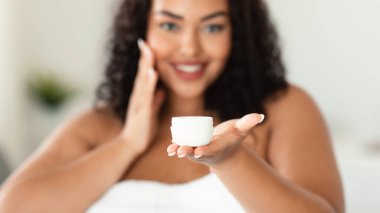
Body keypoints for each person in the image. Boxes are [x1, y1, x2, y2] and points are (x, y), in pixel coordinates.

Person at [0, 0, 344, 212]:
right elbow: (13, 207)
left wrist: (230, 161)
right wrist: (127, 144)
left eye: (212, 26)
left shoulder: (279, 111)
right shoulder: (97, 125)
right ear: (141, 30)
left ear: (236, 33)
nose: (189, 47)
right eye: (169, 25)